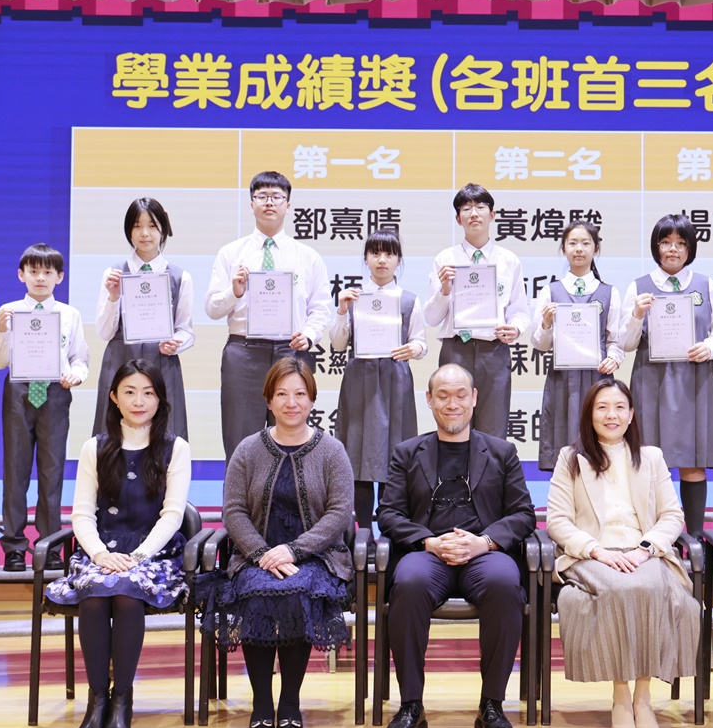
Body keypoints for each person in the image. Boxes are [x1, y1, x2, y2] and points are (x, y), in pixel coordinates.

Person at [376, 363, 537, 728]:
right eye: (443, 395)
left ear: (474, 398)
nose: (453, 404)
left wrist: (485, 542)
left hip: (483, 553)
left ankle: (492, 704)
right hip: (428, 553)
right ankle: (411, 705)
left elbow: (523, 514)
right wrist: (429, 542)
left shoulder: (501, 452)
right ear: (429, 400)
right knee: (409, 582)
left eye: (461, 394)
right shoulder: (407, 452)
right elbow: (389, 513)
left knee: (505, 581)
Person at [196, 358, 353, 728]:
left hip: (316, 556)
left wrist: (294, 551)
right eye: (282, 394)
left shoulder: (332, 451)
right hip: (257, 555)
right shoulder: (248, 449)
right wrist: (261, 552)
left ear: (312, 400)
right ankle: (262, 703)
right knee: (256, 591)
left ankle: (290, 703)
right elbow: (233, 510)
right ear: (268, 400)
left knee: (296, 592)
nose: (291, 402)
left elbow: (339, 513)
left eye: (299, 394)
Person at [545, 377, 700, 728]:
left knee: (652, 589)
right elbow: (557, 520)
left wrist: (645, 549)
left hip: (642, 552)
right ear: (590, 414)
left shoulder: (651, 457)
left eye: (619, 407)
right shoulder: (571, 458)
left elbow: (672, 515)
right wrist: (596, 550)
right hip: (591, 553)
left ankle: (643, 696)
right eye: (602, 408)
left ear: (631, 415)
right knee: (620, 590)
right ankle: (620, 694)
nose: (611, 415)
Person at [45, 360, 191, 728]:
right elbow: (81, 514)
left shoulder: (175, 448)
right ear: (113, 397)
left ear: (160, 399)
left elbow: (173, 515)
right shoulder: (95, 447)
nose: (139, 401)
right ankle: (98, 701)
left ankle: (122, 699)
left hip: (154, 554)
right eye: (129, 392)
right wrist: (98, 554)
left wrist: (138, 557)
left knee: (126, 594)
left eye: (148, 393)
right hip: (101, 551)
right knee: (94, 597)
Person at [205, 171, 331, 461]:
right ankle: (239, 494)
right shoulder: (231, 253)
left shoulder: (308, 256)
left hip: (291, 351)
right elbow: (212, 308)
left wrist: (309, 335)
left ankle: (292, 493)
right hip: (244, 352)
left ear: (288, 205)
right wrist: (234, 292)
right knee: (239, 439)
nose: (269, 202)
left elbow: (321, 308)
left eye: (276, 197)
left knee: (292, 439)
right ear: (251, 204)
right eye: (262, 196)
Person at [620, 213, 713, 536]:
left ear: (690, 248)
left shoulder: (705, 285)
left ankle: (695, 539)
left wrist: (709, 347)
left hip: (694, 381)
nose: (673, 249)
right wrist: (636, 314)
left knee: (693, 460)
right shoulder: (639, 287)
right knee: (650, 461)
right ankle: (653, 538)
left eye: (681, 243)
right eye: (666, 242)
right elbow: (626, 343)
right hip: (651, 381)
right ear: (656, 246)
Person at [0, 243, 90, 572]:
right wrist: (0, 330)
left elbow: (80, 358)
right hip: (19, 391)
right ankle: (14, 548)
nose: (40, 278)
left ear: (60, 276)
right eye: (33, 271)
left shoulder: (70, 315)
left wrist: (76, 375)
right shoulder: (9, 311)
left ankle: (50, 546)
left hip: (55, 392)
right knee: (15, 472)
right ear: (21, 275)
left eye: (48, 272)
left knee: (52, 472)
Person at [328, 229, 426, 532]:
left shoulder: (409, 300)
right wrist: (341, 311)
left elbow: (420, 341)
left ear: (399, 260)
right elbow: (338, 344)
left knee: (394, 456)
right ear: (366, 258)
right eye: (375, 253)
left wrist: (414, 349)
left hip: (395, 382)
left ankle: (390, 533)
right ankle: (363, 534)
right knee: (357, 456)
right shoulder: (354, 298)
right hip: (360, 382)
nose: (382, 260)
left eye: (389, 254)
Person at [422, 183, 530, 438]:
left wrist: (515, 329)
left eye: (480, 207)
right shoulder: (445, 259)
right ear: (458, 219)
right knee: (453, 425)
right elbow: (431, 318)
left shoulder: (508, 260)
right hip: (455, 350)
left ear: (492, 215)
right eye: (466, 208)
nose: (473, 213)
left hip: (494, 351)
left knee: (493, 429)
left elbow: (520, 310)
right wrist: (444, 290)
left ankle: (490, 468)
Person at [93, 197, 194, 440]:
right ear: (128, 230)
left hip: (162, 361)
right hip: (121, 359)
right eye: (137, 226)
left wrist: (176, 343)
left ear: (163, 230)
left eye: (152, 226)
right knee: (115, 433)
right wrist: (113, 297)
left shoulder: (180, 277)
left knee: (164, 434)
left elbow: (186, 330)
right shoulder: (114, 274)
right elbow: (104, 333)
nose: (145, 233)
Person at [531, 221, 624, 471]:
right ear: (564, 249)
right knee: (562, 442)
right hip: (563, 380)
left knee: (600, 444)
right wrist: (546, 323)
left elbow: (615, 340)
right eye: (572, 243)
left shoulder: (609, 292)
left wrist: (613, 358)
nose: (579, 249)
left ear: (596, 249)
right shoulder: (550, 291)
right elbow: (540, 344)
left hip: (598, 378)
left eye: (585, 243)